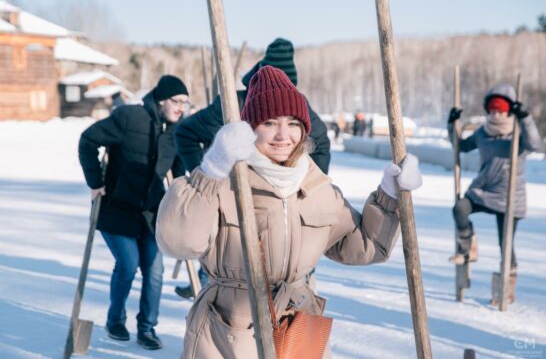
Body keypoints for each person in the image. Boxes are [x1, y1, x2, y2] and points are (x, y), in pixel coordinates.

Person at [156, 66, 423, 358]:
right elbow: (178, 242)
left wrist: (390, 195)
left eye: (293, 123)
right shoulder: (224, 180)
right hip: (227, 330)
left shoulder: (316, 185)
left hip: (296, 329)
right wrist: (211, 170)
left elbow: (365, 247)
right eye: (269, 122)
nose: (283, 135)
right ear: (250, 128)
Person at [173, 37, 331, 298]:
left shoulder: (300, 109)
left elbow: (321, 143)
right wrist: (209, 174)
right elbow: (186, 133)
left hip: (283, 210)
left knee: (291, 287)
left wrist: (307, 183)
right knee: (223, 269)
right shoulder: (231, 105)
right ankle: (205, 288)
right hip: (234, 202)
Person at [78, 75, 190, 350]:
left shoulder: (177, 132)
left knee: (154, 271)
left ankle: (147, 328)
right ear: (161, 100)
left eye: (185, 103)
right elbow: (88, 141)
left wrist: (180, 197)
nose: (181, 108)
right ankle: (115, 319)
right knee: (128, 264)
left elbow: (177, 171)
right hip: (116, 208)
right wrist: (96, 182)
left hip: (151, 213)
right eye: (177, 102)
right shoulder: (129, 117)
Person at [447, 84, 542, 279]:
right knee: (460, 209)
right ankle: (467, 248)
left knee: (505, 243)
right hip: (483, 191)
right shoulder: (483, 133)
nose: (496, 115)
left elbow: (535, 144)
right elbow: (461, 147)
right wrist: (452, 124)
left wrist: (525, 117)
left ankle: (508, 278)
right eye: (492, 110)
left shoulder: (518, 133)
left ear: (508, 111)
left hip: (510, 196)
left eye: (500, 111)